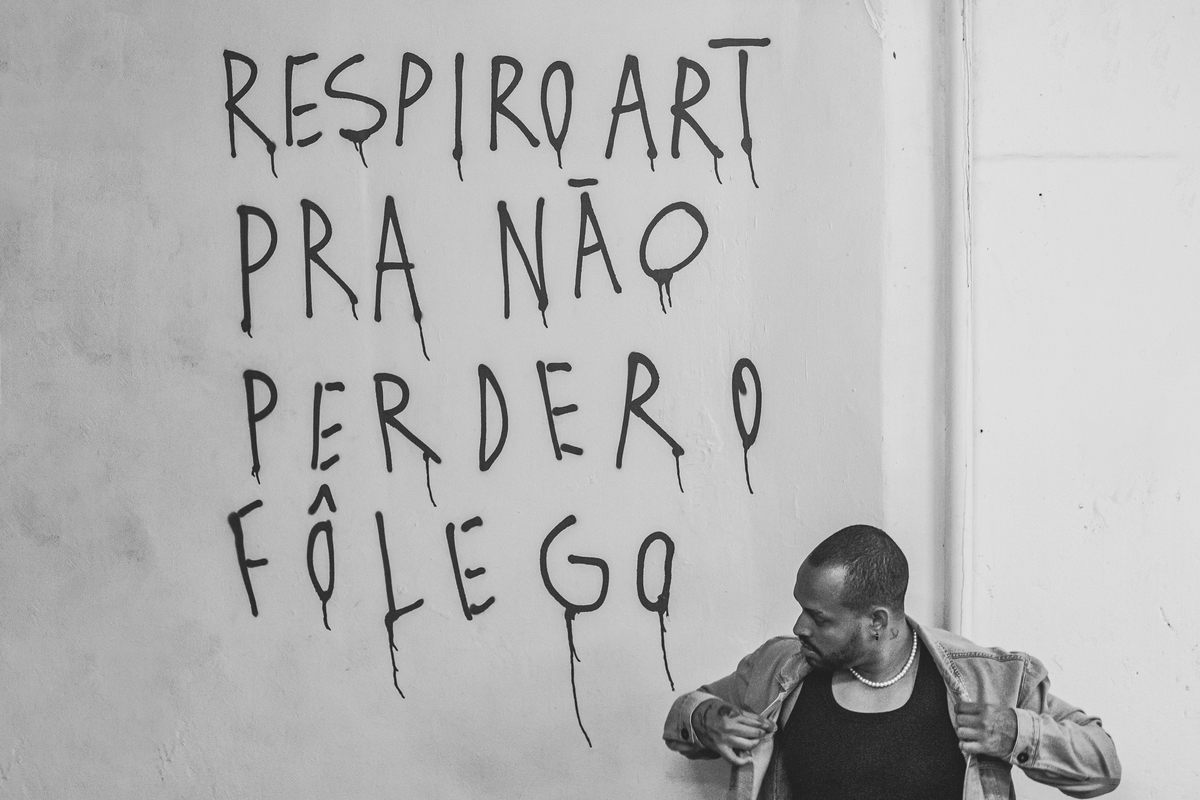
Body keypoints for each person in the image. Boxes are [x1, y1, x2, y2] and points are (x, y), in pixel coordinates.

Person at [662, 525, 1120, 800]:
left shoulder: (986, 679)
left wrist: (1017, 733)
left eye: (819, 617)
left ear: (877, 621)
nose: (799, 627)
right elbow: (682, 714)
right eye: (801, 609)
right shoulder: (780, 667)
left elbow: (1103, 764)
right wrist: (704, 720)